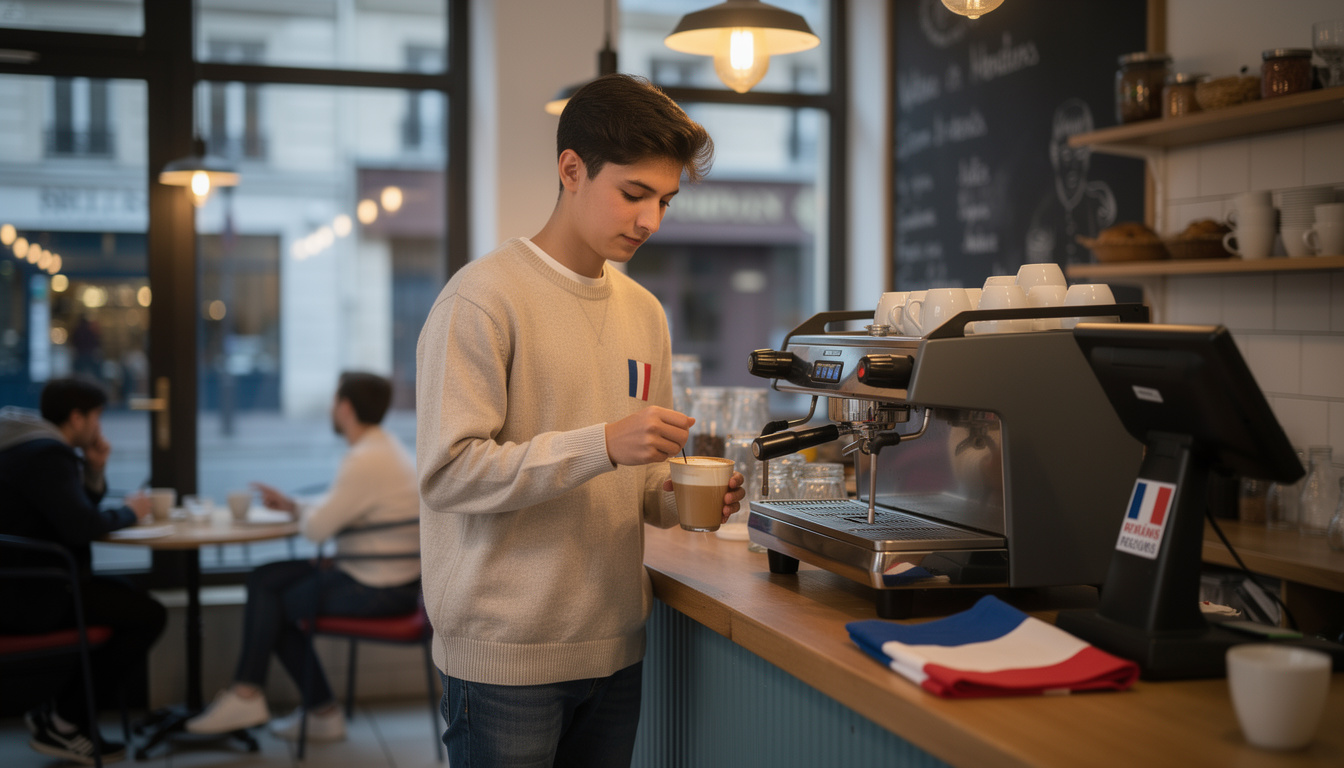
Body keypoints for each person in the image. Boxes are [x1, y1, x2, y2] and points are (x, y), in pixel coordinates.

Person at [415, 73, 745, 767]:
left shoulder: (643, 311)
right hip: (506, 655)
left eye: (665, 199)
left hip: (616, 645)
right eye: (634, 193)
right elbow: (448, 474)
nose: (651, 220)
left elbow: (634, 480)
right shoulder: (481, 299)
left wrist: (683, 500)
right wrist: (601, 443)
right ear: (571, 169)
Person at [184, 371, 421, 743]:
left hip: (378, 588)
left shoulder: (364, 460)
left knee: (272, 603)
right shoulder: (385, 448)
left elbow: (316, 531)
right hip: (387, 577)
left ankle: (271, 698)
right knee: (264, 578)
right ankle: (292, 704)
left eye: (334, 400)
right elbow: (341, 509)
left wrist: (300, 512)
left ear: (344, 408)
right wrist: (295, 505)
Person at [0, 377, 166, 765]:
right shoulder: (46, 455)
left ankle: (58, 714)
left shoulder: (25, 445)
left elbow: (69, 512)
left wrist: (93, 469)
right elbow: (81, 526)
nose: (99, 427)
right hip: (33, 595)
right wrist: (131, 512)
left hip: (20, 585)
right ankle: (66, 720)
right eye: (97, 417)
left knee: (128, 596)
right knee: (149, 615)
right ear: (77, 418)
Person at [1025, 98, 1118, 265]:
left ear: (1089, 154)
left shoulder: (1100, 202)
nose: (1074, 166)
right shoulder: (1042, 210)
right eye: (1067, 155)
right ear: (1055, 155)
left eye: (1080, 154)